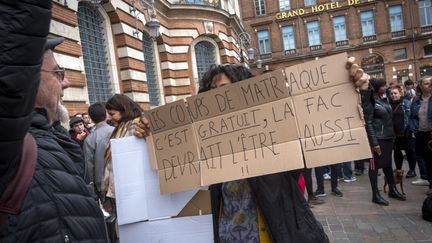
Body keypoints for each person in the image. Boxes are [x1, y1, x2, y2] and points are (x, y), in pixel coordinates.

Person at [0, 1, 108, 242]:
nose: (66, 83)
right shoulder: (11, 146)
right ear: (27, 78)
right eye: (58, 74)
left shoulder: (51, 135)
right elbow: (20, 22)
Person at [361, 78, 406, 205]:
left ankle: (392, 189)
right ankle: (375, 195)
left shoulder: (382, 100)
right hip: (378, 139)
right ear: (376, 87)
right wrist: (374, 143)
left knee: (387, 164)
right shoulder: (369, 102)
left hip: (387, 138)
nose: (385, 87)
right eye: (382, 86)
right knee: (374, 167)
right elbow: (368, 123)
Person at [102, 94, 143, 212]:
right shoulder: (122, 126)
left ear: (124, 110)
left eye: (112, 113)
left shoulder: (135, 126)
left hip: (129, 190)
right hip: (122, 189)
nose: (109, 118)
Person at [84, 102, 114, 199]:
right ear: (106, 115)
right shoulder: (117, 131)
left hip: (102, 184)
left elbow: (89, 166)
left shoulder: (89, 139)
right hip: (121, 178)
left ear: (91, 118)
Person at [409, 76, 432, 195]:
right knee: (427, 160)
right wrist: (414, 128)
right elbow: (412, 116)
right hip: (421, 133)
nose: (428, 86)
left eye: (430, 83)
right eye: (426, 83)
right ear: (421, 86)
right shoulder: (416, 100)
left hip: (431, 133)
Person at [389, 85, 417, 178]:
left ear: (400, 93)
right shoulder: (388, 104)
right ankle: (398, 170)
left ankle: (412, 170)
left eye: (395, 93)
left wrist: (411, 128)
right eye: (391, 93)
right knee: (397, 152)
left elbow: (412, 116)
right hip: (394, 133)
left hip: (406, 132)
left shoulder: (406, 103)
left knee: (410, 152)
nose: (393, 95)